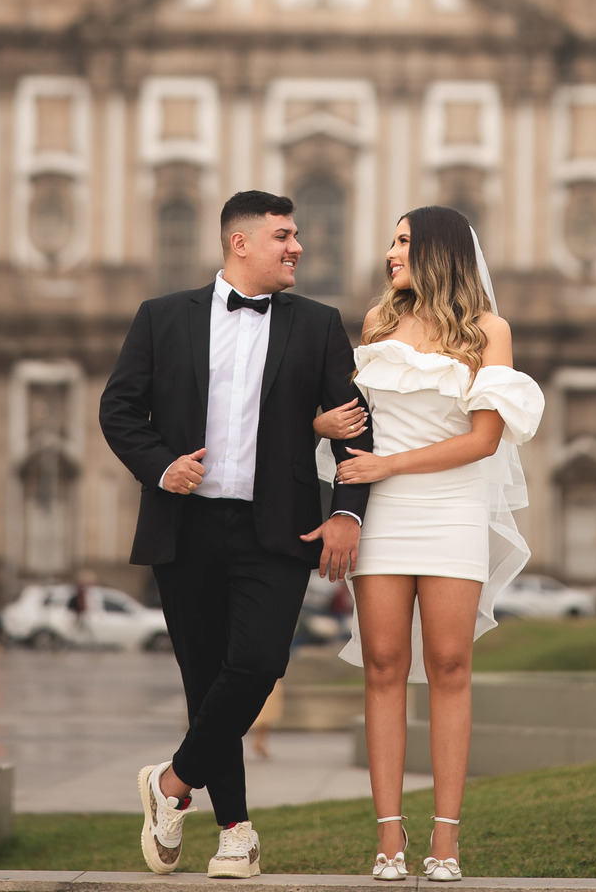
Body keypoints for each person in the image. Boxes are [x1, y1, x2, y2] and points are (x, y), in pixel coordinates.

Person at [99, 190, 373, 879]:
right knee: (204, 682)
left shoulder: (318, 324)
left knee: (257, 665)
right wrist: (162, 467)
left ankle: (171, 784)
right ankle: (235, 833)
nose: (298, 247)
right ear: (240, 243)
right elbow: (119, 409)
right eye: (284, 234)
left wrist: (347, 510)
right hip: (184, 527)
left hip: (274, 528)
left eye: (298, 233)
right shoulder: (161, 318)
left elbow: (354, 426)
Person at [315, 207, 543, 882]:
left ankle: (446, 841)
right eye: (392, 241)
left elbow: (483, 440)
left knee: (449, 666)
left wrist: (388, 466)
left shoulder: (488, 333)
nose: (391, 254)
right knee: (383, 665)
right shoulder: (378, 323)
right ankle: (388, 837)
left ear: (439, 251)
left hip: (451, 507)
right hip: (380, 514)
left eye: (404, 242)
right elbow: (354, 425)